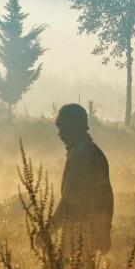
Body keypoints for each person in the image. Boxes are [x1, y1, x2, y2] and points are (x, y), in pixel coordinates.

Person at [51, 103, 114, 252]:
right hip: (87, 235)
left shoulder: (83, 155)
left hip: (80, 236)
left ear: (75, 127)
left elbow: (71, 201)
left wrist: (48, 230)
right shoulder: (91, 152)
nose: (60, 134)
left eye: (63, 128)